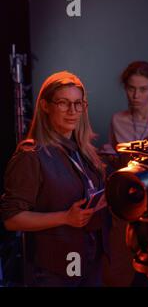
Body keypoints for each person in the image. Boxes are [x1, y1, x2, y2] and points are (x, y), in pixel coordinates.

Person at [0, 71, 110, 287]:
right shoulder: (31, 155)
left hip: (89, 262)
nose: (72, 111)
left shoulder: (83, 151)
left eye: (78, 104)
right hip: (55, 272)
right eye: (63, 103)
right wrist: (65, 218)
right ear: (45, 106)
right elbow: (11, 219)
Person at [101, 61, 148, 287]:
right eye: (131, 88)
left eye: (142, 89)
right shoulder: (117, 119)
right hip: (129, 199)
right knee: (123, 265)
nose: (136, 95)